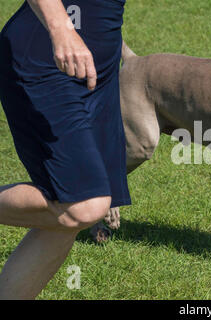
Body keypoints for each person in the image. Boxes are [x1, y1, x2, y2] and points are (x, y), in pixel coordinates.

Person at [0, 0, 130, 299]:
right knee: (83, 203)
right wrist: (61, 28)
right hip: (48, 57)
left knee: (63, 214)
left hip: (98, 69)